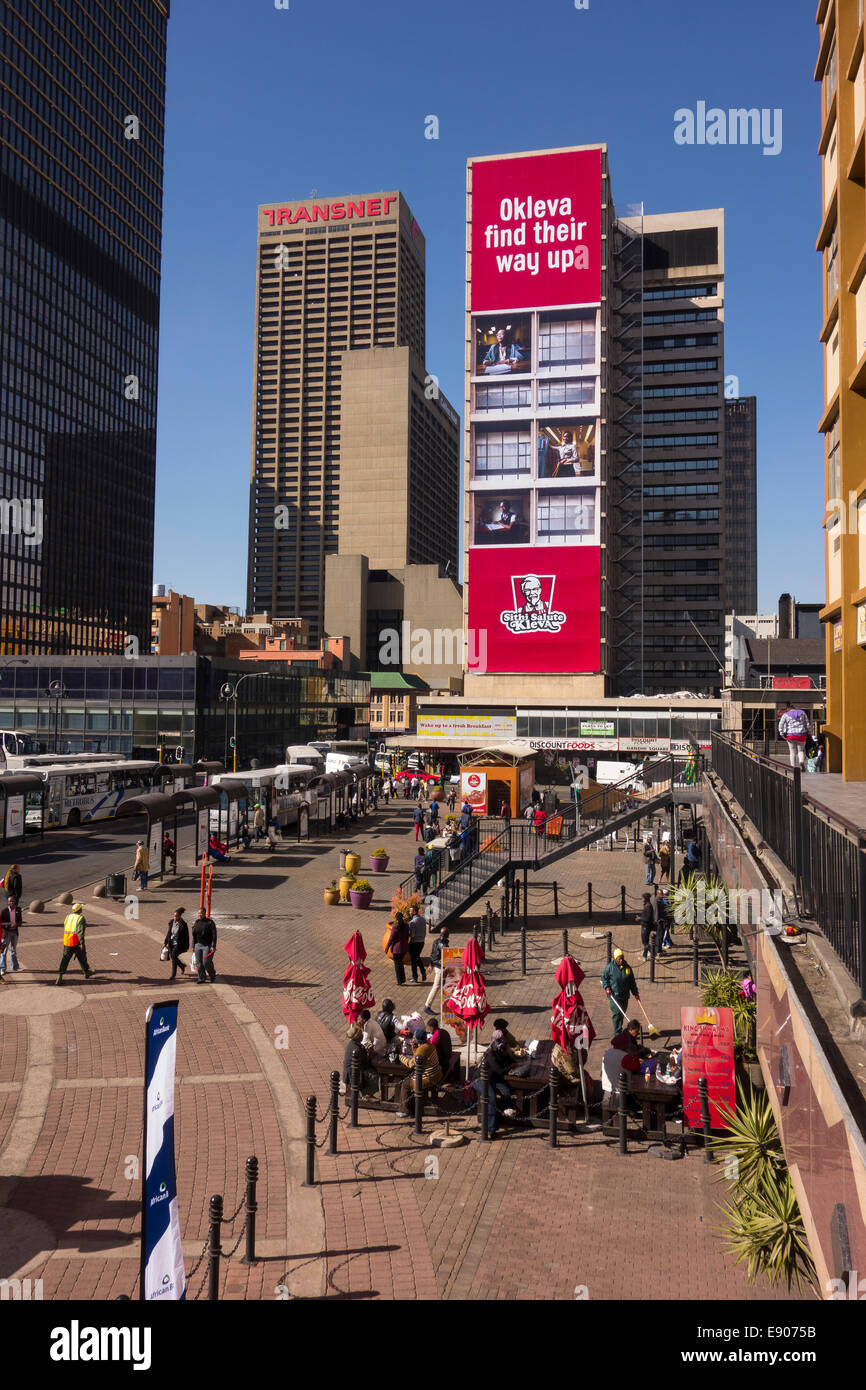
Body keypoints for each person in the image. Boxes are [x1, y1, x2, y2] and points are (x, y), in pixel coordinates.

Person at [472, 1030, 517, 1137]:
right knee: (491, 1097)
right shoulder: (491, 1057)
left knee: (506, 1091)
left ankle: (501, 1111)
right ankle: (491, 1128)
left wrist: (509, 1056)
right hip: (481, 1079)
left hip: (493, 1078)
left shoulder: (500, 1052)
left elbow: (508, 1060)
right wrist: (511, 1067)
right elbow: (500, 1071)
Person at [395, 1026, 443, 1118]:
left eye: (414, 1038)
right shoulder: (429, 1045)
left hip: (428, 1077)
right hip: (436, 1073)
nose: (412, 1038)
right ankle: (413, 1104)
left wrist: (400, 1057)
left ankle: (404, 1110)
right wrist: (414, 1046)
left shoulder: (422, 1049)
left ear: (418, 1040)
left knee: (405, 1084)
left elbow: (411, 1064)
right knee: (410, 1079)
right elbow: (418, 1057)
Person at [601, 947, 640, 1032]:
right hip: (614, 996)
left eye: (622, 958)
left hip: (624, 996)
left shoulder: (628, 968)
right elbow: (604, 978)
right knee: (617, 1013)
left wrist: (635, 993)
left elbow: (632, 982)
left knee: (622, 1013)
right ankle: (617, 1032)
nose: (621, 960)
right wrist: (606, 987)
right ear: (615, 959)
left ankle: (619, 1028)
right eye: (619, 959)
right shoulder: (610, 967)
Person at [57, 903, 94, 984]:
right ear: (79, 910)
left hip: (67, 941)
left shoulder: (68, 916)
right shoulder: (81, 918)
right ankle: (86, 972)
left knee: (65, 959)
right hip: (75, 941)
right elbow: (80, 932)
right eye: (81, 908)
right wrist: (83, 943)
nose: (82, 909)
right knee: (82, 956)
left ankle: (60, 976)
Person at [424, 928, 448, 1012]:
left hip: (436, 966)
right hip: (440, 968)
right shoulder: (444, 945)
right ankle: (427, 1006)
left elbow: (432, 954)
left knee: (443, 986)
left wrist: (430, 964)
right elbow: (446, 957)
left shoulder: (436, 941)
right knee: (436, 987)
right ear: (446, 934)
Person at [192, 906, 217, 983]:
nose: (200, 915)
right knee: (199, 962)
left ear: (205, 914)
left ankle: (212, 974)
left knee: (206, 962)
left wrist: (213, 945)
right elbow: (194, 935)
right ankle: (201, 977)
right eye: (199, 913)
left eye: (201, 913)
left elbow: (214, 935)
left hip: (207, 945)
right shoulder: (196, 922)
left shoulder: (210, 922)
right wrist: (193, 945)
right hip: (198, 945)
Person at [163, 908, 189, 980]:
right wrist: (165, 942)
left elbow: (186, 936)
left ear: (180, 916)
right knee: (173, 957)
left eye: (176, 916)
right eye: (174, 916)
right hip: (171, 943)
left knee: (174, 957)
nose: (175, 917)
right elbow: (169, 933)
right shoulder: (172, 922)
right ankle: (182, 966)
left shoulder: (183, 925)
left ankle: (173, 975)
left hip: (179, 944)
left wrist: (186, 946)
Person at [0, 895, 23, 976]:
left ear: (15, 902)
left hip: (15, 933)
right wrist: (8, 925)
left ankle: (14, 967)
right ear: (8, 902)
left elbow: (20, 921)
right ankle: (2, 969)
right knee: (3, 952)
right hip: (6, 933)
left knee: (13, 950)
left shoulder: (18, 909)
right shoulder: (4, 911)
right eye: (10, 901)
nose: (12, 903)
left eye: (13, 901)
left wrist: (16, 924)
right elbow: (1, 924)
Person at [386, 912, 410, 987]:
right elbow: (407, 936)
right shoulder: (406, 926)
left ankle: (399, 981)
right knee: (400, 963)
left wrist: (387, 948)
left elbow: (391, 939)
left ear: (396, 919)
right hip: (404, 948)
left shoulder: (395, 927)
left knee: (397, 965)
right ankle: (402, 979)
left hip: (397, 949)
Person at [407, 906, 427, 984]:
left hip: (414, 943)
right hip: (421, 942)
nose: (409, 912)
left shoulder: (413, 922)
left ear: (414, 912)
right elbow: (425, 931)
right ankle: (423, 971)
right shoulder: (423, 919)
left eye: (410, 911)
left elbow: (412, 935)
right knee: (417, 957)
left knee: (413, 960)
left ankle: (415, 977)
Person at [638, 892, 654, 961]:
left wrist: (640, 918)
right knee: (645, 942)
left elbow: (648, 918)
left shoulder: (648, 907)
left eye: (643, 898)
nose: (642, 899)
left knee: (645, 942)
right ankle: (648, 954)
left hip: (646, 927)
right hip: (645, 926)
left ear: (646, 899)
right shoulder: (646, 905)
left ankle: (653, 953)